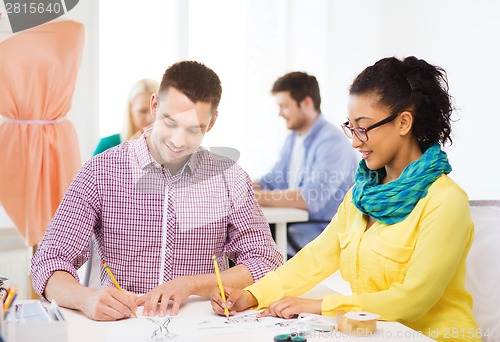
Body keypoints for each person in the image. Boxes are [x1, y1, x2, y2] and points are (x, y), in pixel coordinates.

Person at [212, 56, 479, 342]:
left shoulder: (446, 201)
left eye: (363, 127)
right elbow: (316, 257)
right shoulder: (360, 195)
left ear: (403, 122)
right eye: (351, 127)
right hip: (375, 334)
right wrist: (253, 295)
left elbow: (413, 299)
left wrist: (320, 307)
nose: (354, 141)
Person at [31, 60, 283, 321]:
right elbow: (48, 261)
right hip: (120, 326)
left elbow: (266, 260)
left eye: (193, 129)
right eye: (169, 122)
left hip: (201, 328)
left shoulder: (230, 178)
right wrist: (85, 298)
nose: (177, 141)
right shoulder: (100, 171)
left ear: (211, 123)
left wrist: (191, 284)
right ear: (154, 106)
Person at [253, 72, 357, 257]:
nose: (280, 113)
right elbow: (271, 180)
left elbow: (309, 198)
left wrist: (253, 196)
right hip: (294, 227)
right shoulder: (293, 139)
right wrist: (237, 187)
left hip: (317, 234)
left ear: (307, 103)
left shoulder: (332, 143)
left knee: (249, 244)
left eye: (284, 106)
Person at [93, 78, 159, 155]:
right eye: (143, 111)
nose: (151, 118)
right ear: (130, 110)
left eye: (156, 109)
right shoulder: (108, 147)